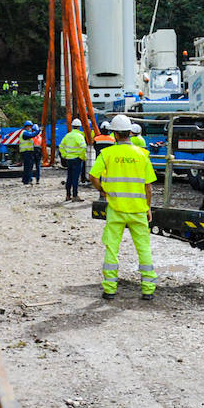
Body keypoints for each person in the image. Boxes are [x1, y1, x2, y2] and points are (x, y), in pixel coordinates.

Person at [90, 113, 157, 301]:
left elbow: (93, 176)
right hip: (138, 210)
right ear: (129, 133)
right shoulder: (142, 155)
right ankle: (148, 289)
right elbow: (148, 186)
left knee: (112, 248)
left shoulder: (107, 154)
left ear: (115, 135)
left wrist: (103, 191)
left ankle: (110, 289)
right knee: (143, 248)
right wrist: (148, 207)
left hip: (116, 209)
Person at [59, 117, 87, 200]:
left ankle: (68, 195)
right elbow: (83, 147)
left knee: (69, 177)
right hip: (77, 160)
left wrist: (64, 155)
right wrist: (82, 157)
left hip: (69, 159)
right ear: (79, 127)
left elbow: (61, 146)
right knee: (75, 178)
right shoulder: (79, 136)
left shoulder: (67, 136)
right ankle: (75, 195)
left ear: (72, 126)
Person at [18, 120, 36, 185]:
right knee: (28, 167)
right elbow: (33, 135)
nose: (30, 128)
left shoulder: (26, 133)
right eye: (29, 127)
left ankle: (26, 179)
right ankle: (26, 180)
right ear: (26, 127)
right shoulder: (25, 133)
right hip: (26, 152)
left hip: (28, 152)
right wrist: (38, 130)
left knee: (28, 166)